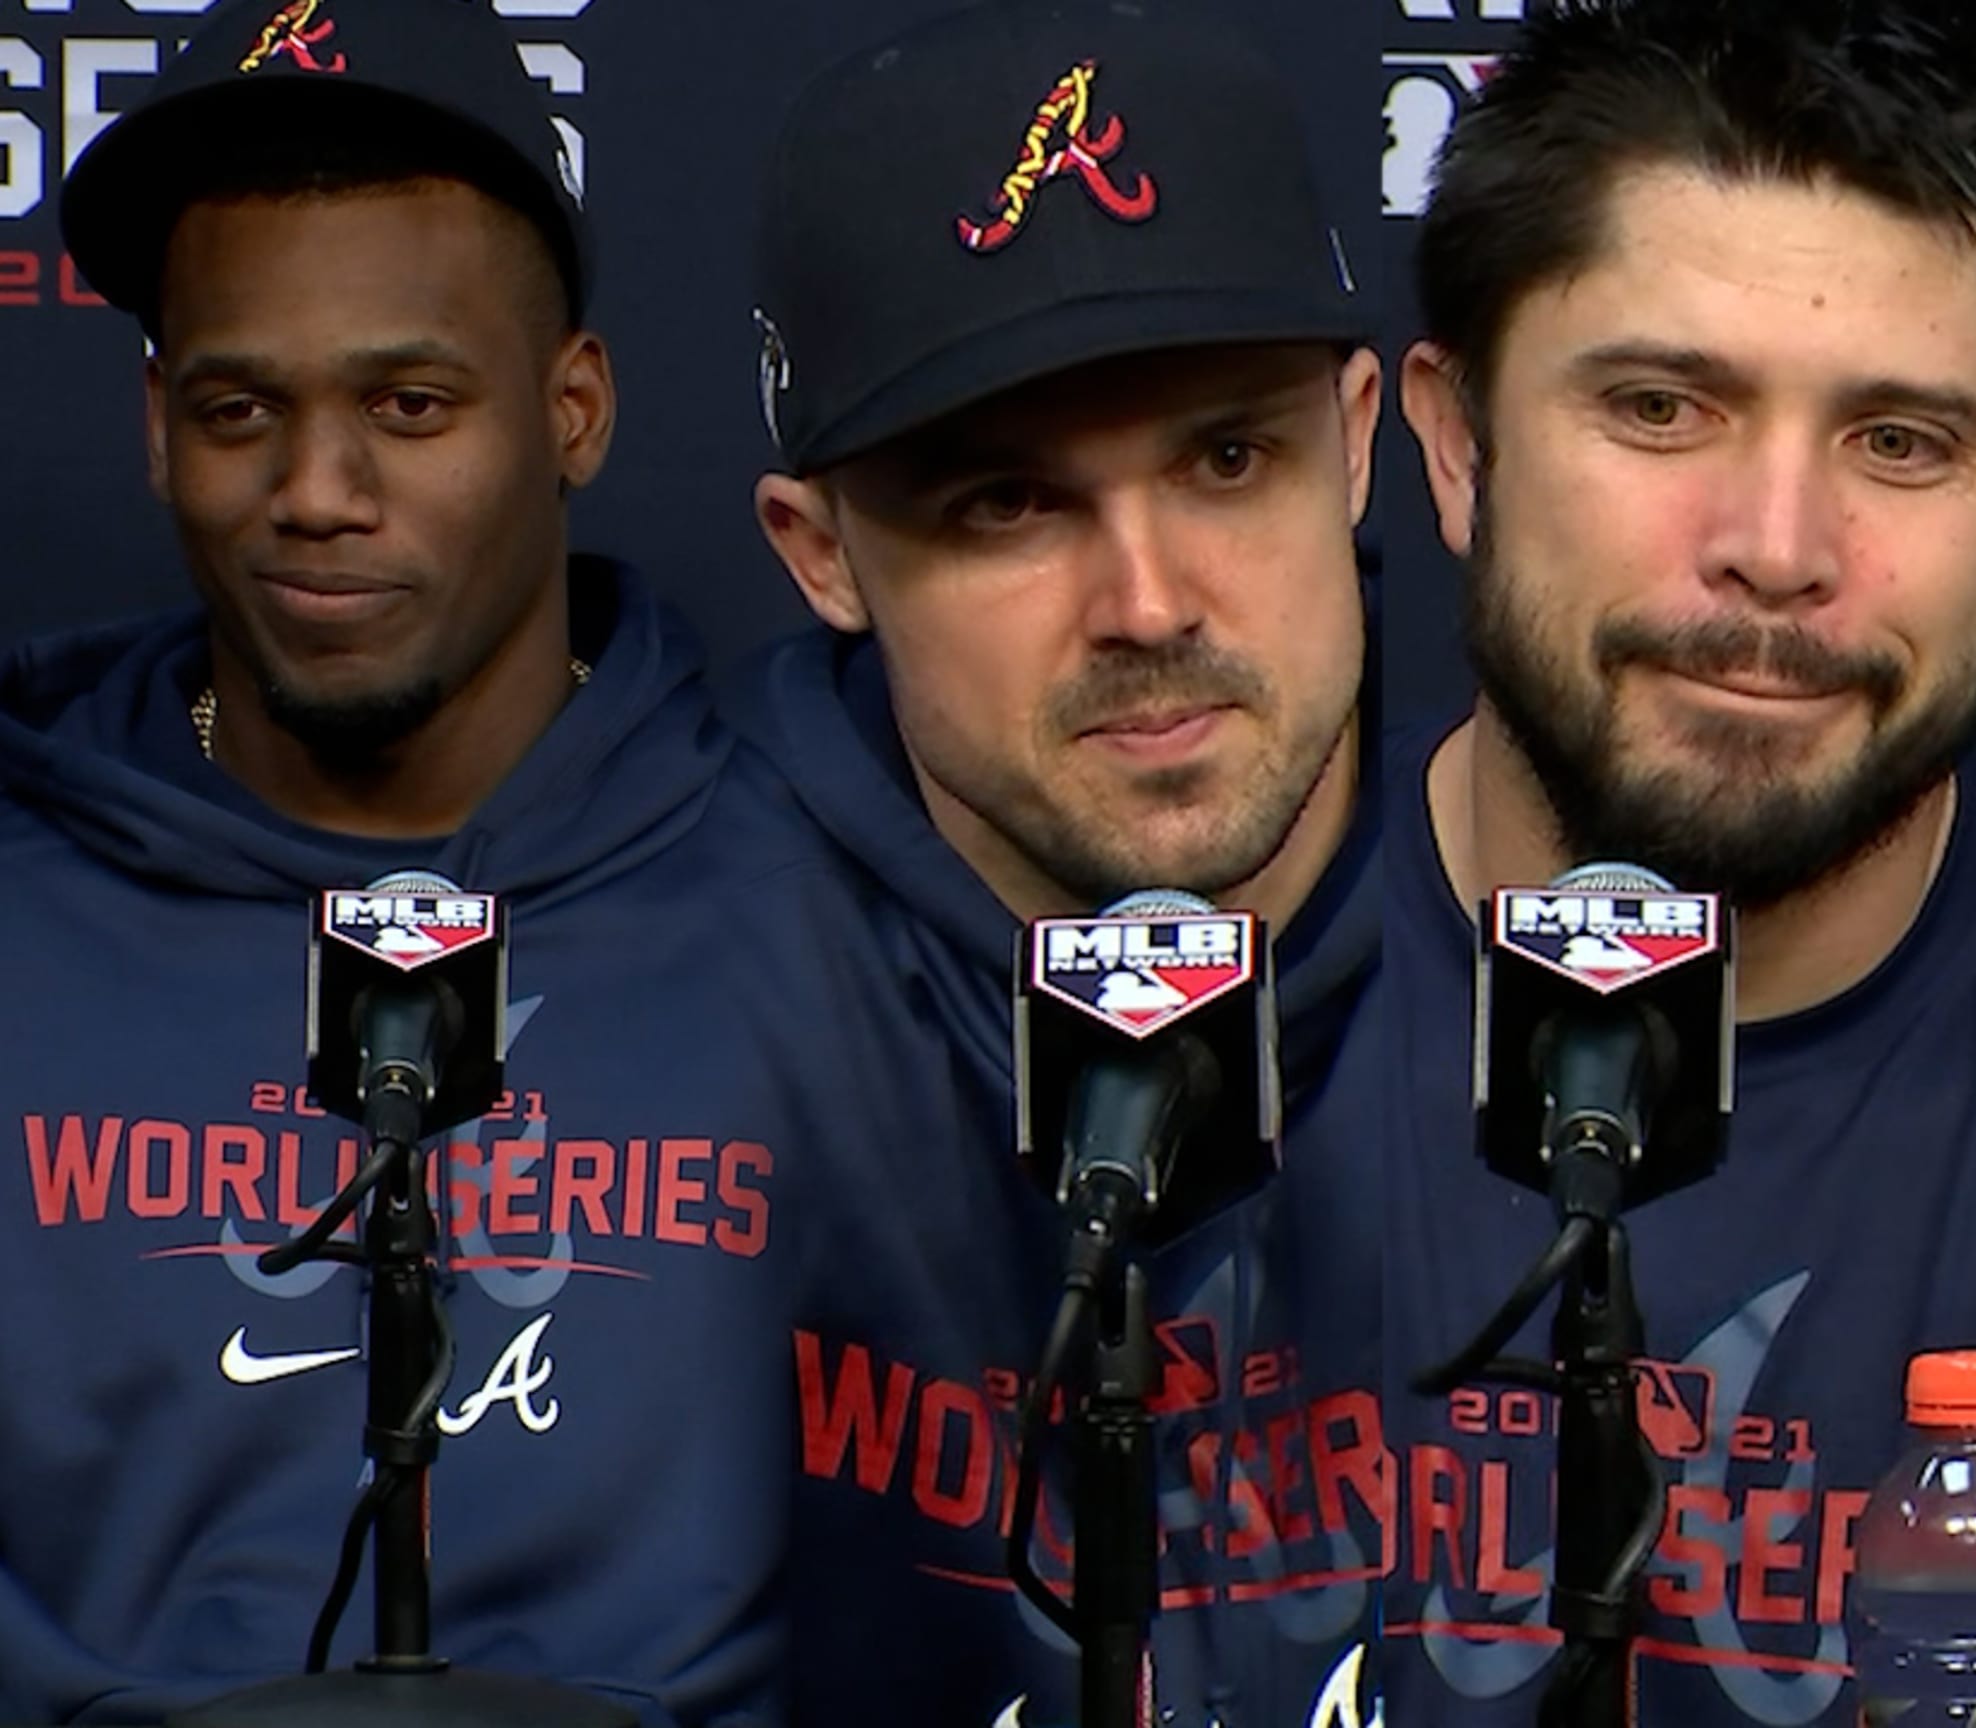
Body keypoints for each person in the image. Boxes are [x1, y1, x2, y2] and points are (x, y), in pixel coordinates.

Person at [1379, 0, 1976, 1721]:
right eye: (1663, 406)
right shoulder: (1167, 1031)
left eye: (1901, 443)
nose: (1774, 552)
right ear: (1457, 446)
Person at [0, 0, 857, 1718]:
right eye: (243, 409)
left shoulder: (821, 882)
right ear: (160, 423)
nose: (317, 490)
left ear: (575, 411)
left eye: (409, 403)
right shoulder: (22, 897)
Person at [728, 5, 1387, 1721]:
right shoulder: (656, 1009)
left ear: (1369, 444)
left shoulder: (1622, 947)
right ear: (822, 557)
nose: (1150, 604)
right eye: (1007, 505)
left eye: (1230, 458)